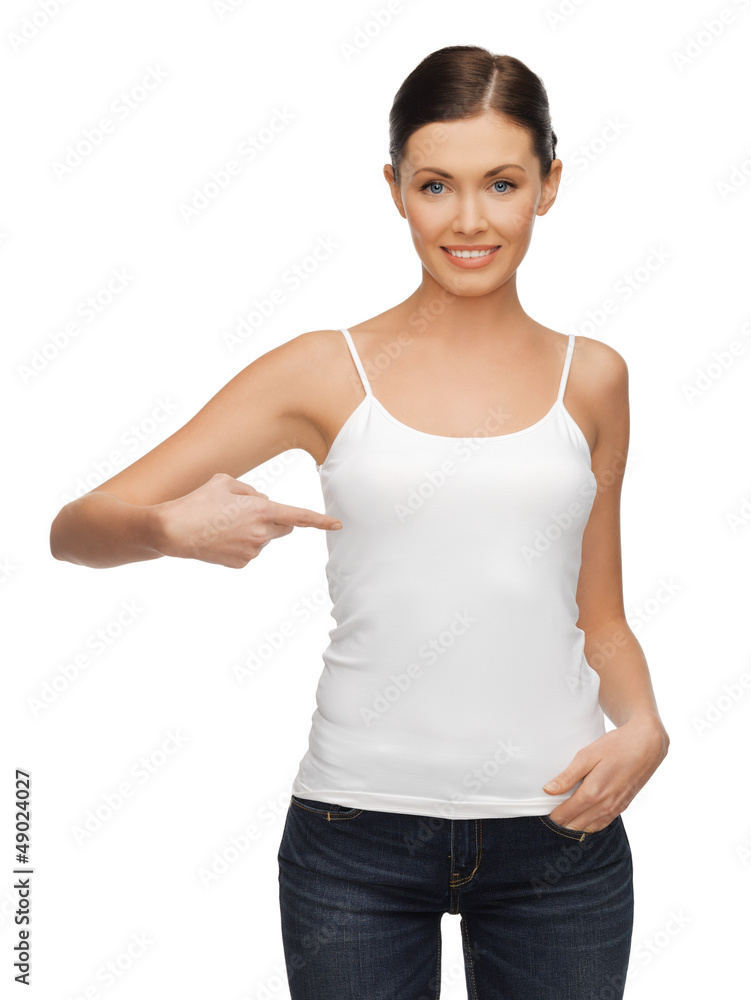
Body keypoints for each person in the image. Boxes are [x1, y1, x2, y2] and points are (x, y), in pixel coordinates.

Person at [50, 43, 669, 1000]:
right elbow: (76, 527)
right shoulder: (321, 370)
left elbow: (601, 615)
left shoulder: (594, 378)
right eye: (435, 186)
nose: (469, 220)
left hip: (560, 835)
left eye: (502, 183)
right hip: (355, 841)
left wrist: (646, 724)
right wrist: (168, 531)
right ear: (394, 190)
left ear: (549, 184)